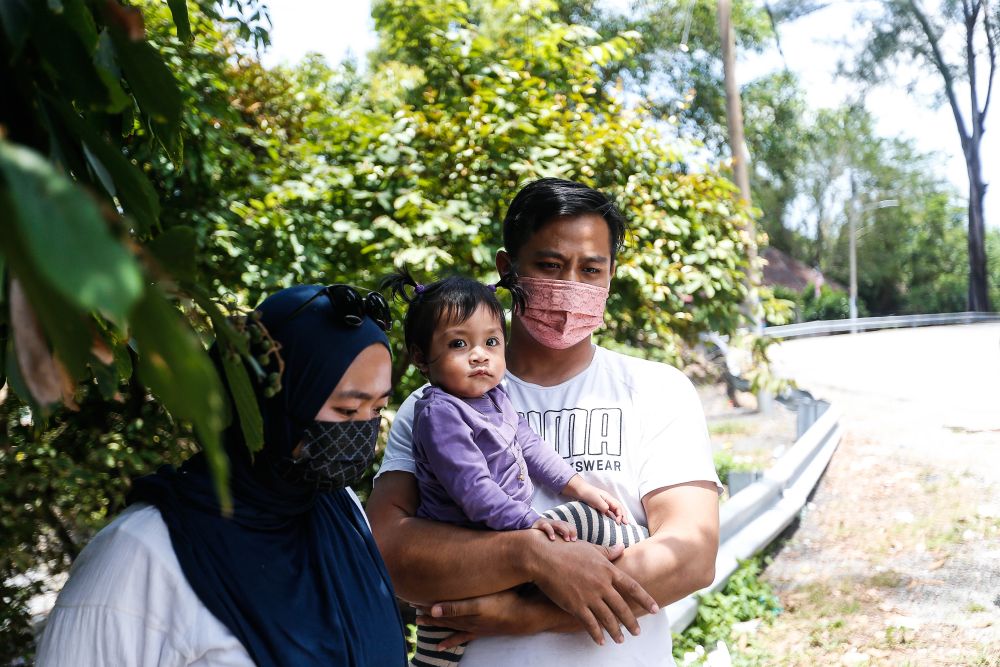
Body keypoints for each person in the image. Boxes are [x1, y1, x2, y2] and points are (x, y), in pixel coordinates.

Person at [367, 178, 722, 666]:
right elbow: (388, 552)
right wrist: (531, 556)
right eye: (550, 266)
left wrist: (527, 613)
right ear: (507, 269)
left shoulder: (657, 390)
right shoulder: (435, 404)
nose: (570, 287)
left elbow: (691, 557)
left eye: (590, 270)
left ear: (611, 276)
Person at [37, 284, 408, 667]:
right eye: (347, 411)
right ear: (270, 402)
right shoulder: (140, 555)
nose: (364, 430)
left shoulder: (340, 510)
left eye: (377, 409)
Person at [381, 269, 650, 666]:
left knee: (581, 513)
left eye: (491, 342)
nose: (480, 355)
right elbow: (474, 491)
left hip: (502, 531)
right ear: (422, 357)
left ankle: (637, 544)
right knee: (440, 645)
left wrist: (578, 485)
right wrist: (530, 523)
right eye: (459, 343)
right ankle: (632, 544)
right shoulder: (440, 413)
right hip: (468, 548)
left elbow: (530, 445)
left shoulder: (494, 396)